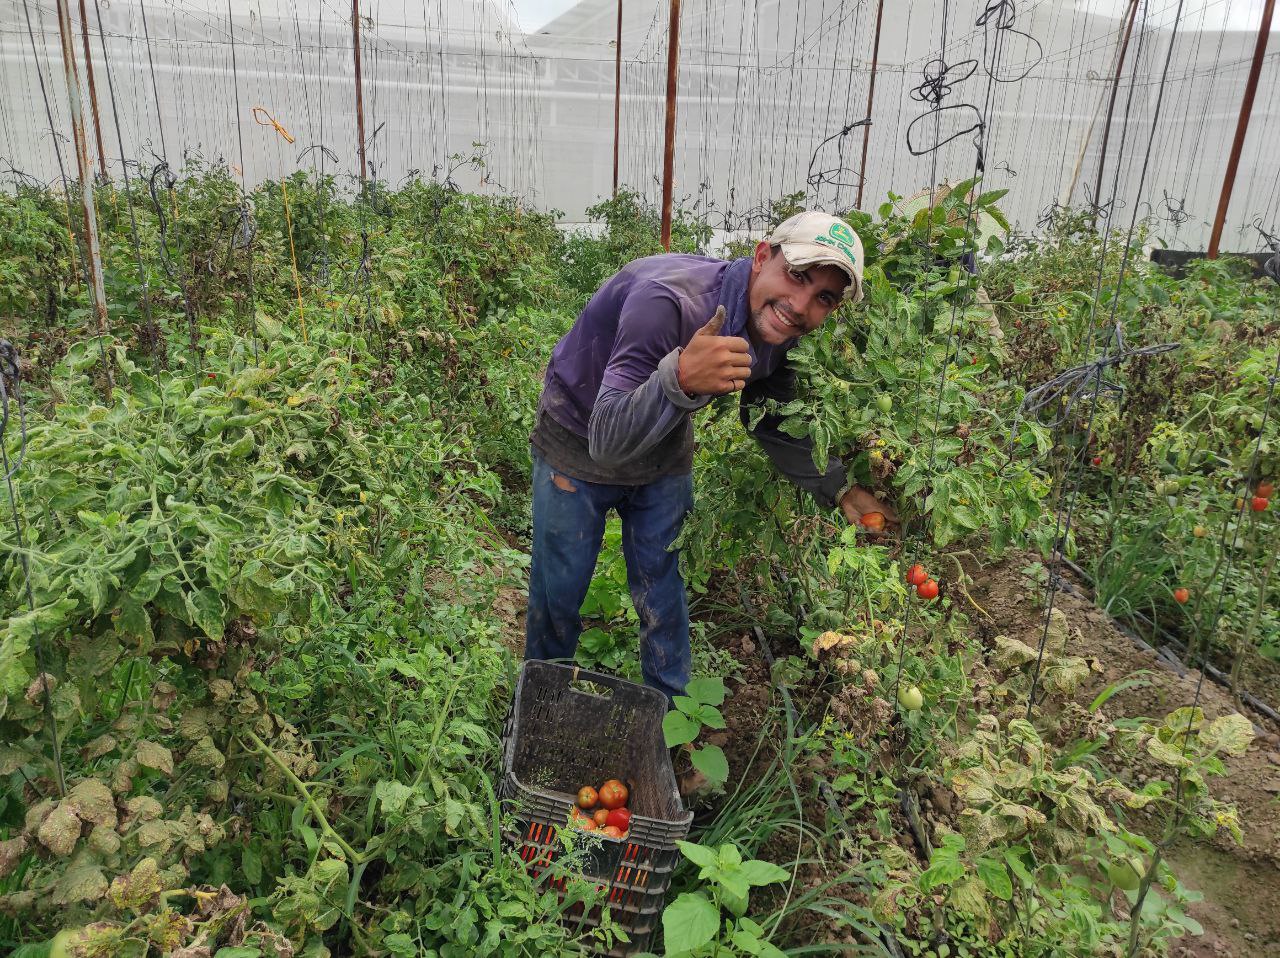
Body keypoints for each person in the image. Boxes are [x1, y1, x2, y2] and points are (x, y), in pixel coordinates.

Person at [524, 210, 898, 702]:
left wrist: (840, 489)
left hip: (664, 443)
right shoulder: (668, 302)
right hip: (578, 435)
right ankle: (542, 704)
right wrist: (679, 378)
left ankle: (671, 719)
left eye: (823, 298)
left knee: (663, 590)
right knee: (561, 591)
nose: (799, 305)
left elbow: (770, 417)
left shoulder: (777, 332)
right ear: (763, 256)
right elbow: (607, 441)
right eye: (797, 276)